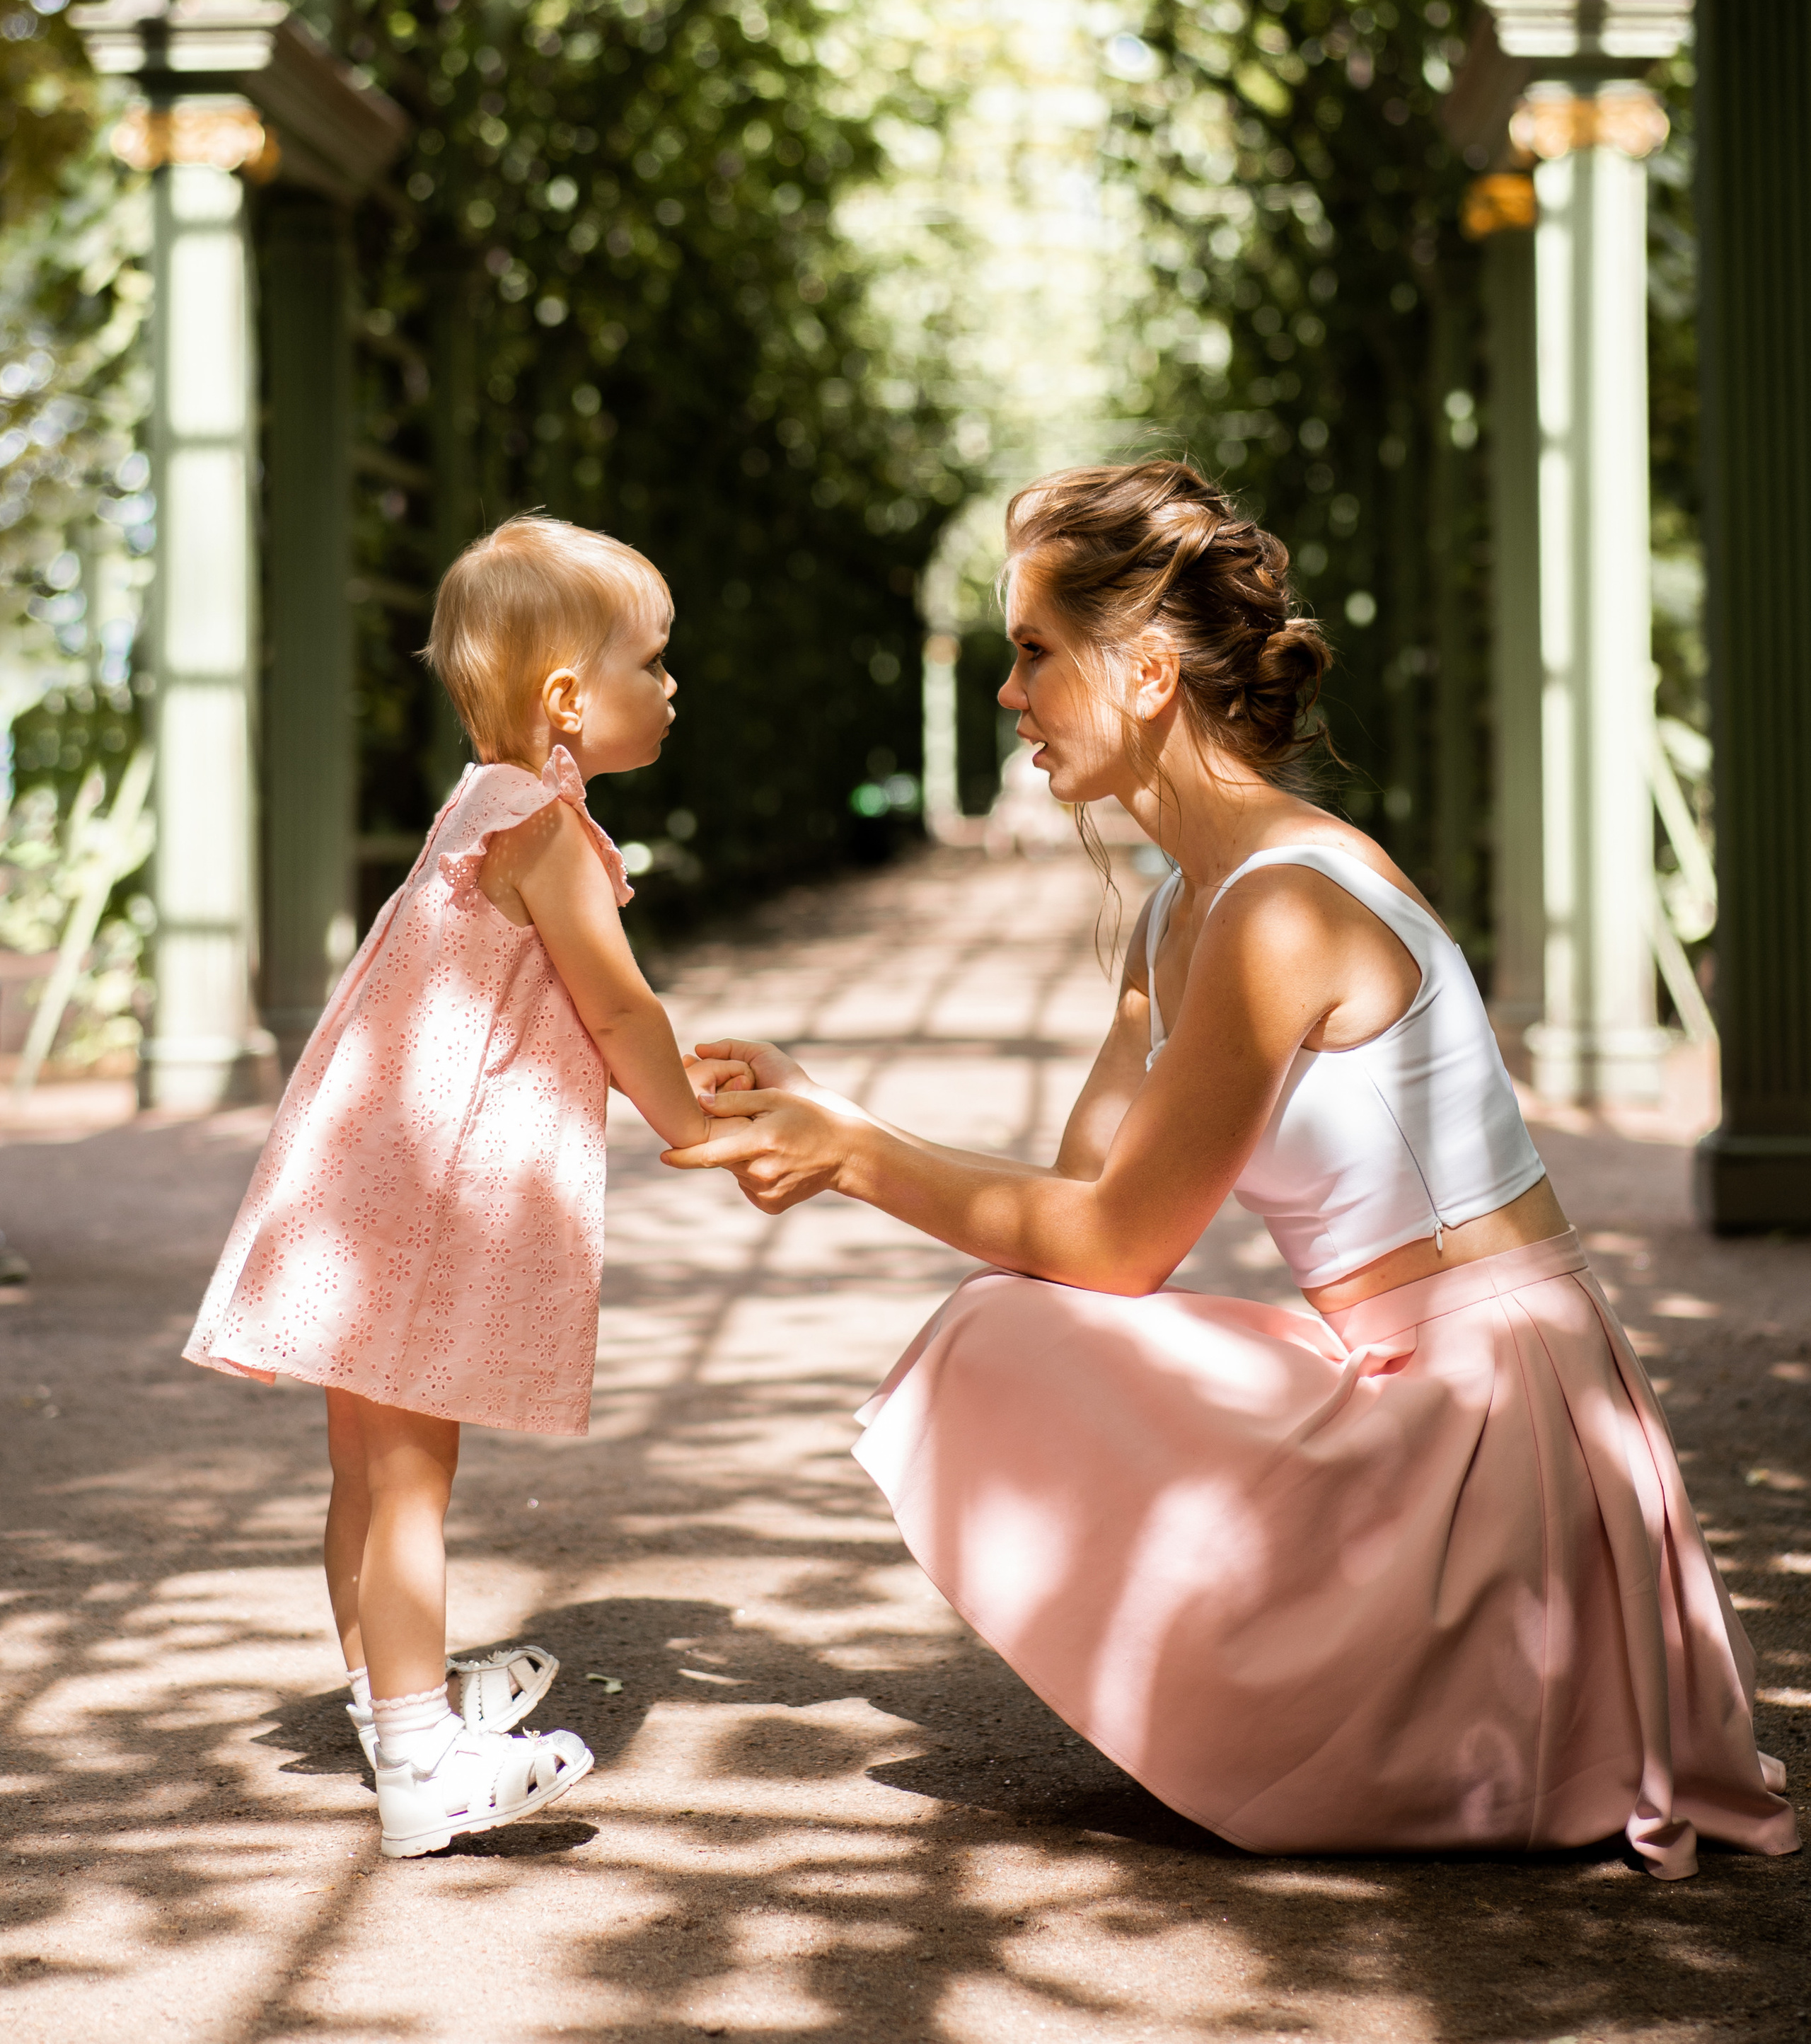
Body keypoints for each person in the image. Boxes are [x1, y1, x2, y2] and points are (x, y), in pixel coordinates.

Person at [674, 459, 1799, 1881]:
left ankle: (1433, 1711)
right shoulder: (1181, 910)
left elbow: (1119, 1247)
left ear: (1145, 673)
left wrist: (854, 1157)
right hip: (1408, 1394)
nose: (1007, 696)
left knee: (995, 1331)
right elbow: (1069, 1216)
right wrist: (831, 1119)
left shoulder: (1279, 910)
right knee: (1001, 1324)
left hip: (1486, 1431)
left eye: (1031, 654)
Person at [185, 515, 746, 1859]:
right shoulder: (542, 828)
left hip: (356, 1189)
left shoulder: (478, 801)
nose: (672, 690)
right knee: (413, 1480)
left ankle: (398, 1703)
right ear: (570, 698)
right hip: (417, 1208)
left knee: (364, 1474)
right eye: (654, 665)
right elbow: (615, 1008)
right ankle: (424, 1770)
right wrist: (692, 1122)